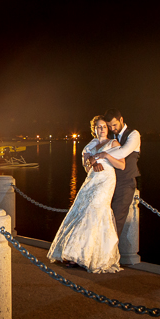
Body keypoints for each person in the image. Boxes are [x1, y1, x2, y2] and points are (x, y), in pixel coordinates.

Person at [47, 116, 124, 273]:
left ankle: (91, 256)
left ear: (108, 128)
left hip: (106, 181)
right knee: (82, 211)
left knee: (95, 211)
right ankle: (77, 254)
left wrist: (106, 156)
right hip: (91, 181)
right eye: (98, 127)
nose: (101, 129)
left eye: (104, 126)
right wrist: (89, 161)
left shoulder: (114, 143)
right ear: (93, 129)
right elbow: (87, 169)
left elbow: (122, 165)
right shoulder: (91, 145)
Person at [91, 108, 141, 237]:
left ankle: (111, 255)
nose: (112, 128)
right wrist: (95, 161)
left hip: (125, 183)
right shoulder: (111, 137)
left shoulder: (133, 135)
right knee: (103, 220)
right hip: (108, 183)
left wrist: (100, 155)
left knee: (115, 221)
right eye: (109, 126)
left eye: (115, 124)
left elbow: (123, 152)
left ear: (121, 120)